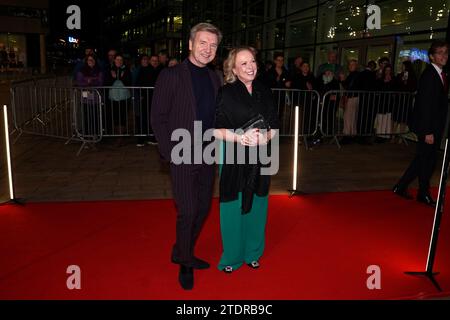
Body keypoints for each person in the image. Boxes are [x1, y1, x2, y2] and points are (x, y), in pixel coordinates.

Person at [151, 22, 222, 290]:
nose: (208, 49)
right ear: (190, 44)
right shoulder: (171, 76)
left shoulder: (214, 77)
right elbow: (157, 118)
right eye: (203, 43)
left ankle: (182, 249)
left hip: (207, 152)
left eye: (213, 45)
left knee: (203, 208)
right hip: (181, 152)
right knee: (188, 210)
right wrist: (170, 153)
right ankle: (184, 260)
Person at [214, 46, 278, 273]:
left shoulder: (264, 90)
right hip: (233, 155)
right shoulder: (225, 93)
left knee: (259, 203)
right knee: (232, 206)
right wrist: (240, 138)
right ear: (233, 68)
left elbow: (274, 125)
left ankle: (253, 253)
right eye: (244, 63)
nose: (250, 66)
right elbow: (215, 129)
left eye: (252, 61)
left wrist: (265, 138)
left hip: (261, 155)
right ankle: (232, 257)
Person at [393, 40, 449, 207]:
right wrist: (427, 131)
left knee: (425, 160)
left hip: (433, 126)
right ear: (432, 57)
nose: (444, 56)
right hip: (428, 127)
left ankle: (404, 187)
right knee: (426, 161)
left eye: (445, 52)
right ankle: (419, 193)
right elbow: (425, 106)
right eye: (439, 53)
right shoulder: (430, 75)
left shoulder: (439, 73)